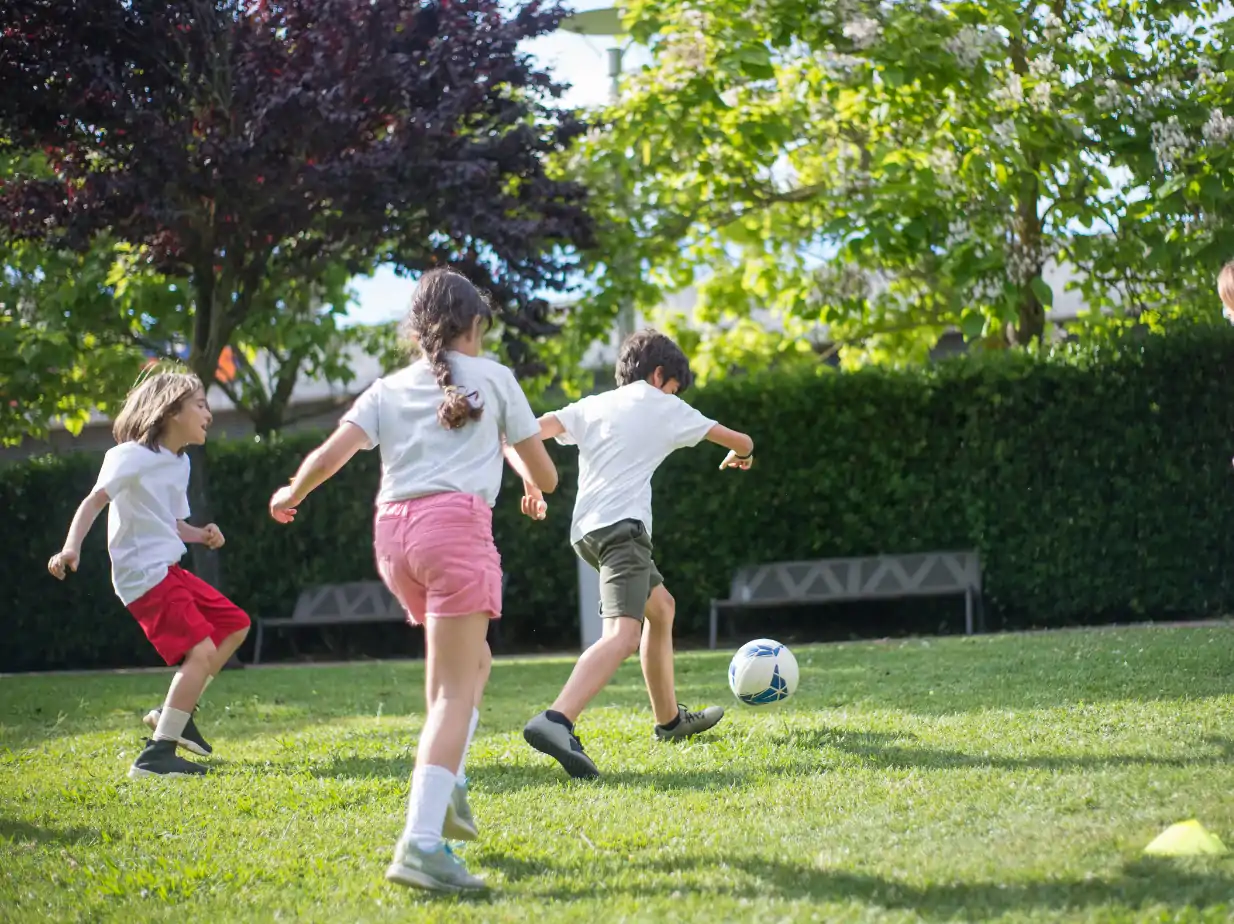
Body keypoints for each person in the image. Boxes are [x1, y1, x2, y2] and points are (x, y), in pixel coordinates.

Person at [268, 267, 557, 894]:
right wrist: (534, 478)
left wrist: (292, 491)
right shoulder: (496, 379)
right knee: (459, 689)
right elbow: (548, 474)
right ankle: (422, 843)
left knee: (467, 666)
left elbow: (332, 454)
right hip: (454, 533)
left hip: (394, 539)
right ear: (474, 324)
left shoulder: (389, 386)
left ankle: (446, 783)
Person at [514, 329, 754, 779]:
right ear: (660, 374)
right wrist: (743, 456)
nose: (674, 396)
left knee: (661, 608)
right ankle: (556, 719)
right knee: (623, 635)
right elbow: (740, 440)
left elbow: (529, 433)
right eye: (674, 387)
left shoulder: (593, 404)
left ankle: (669, 721)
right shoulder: (663, 404)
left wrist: (531, 481)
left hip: (587, 533)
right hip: (624, 532)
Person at [47, 371, 250, 779]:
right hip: (142, 574)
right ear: (172, 409)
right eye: (200, 404)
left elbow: (170, 524)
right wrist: (71, 548)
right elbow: (94, 502)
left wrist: (201, 534)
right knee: (202, 652)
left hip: (168, 567)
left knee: (234, 624)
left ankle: (175, 714)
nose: (209, 413)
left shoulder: (180, 462)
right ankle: (156, 757)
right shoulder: (130, 455)